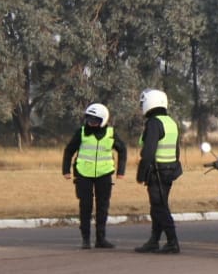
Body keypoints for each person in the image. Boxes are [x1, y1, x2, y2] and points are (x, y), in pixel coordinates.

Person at [61, 102, 126, 249]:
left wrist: (121, 171)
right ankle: (85, 239)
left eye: (95, 120)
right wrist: (66, 170)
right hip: (83, 174)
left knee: (102, 206)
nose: (91, 122)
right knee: (85, 206)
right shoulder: (82, 132)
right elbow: (69, 150)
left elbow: (122, 150)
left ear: (103, 119)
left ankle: (100, 239)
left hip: (104, 174)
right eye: (89, 118)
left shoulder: (111, 133)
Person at [135, 88, 183, 254]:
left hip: (157, 171)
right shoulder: (171, 122)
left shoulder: (154, 123)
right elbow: (176, 150)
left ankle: (172, 242)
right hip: (169, 170)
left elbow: (149, 151)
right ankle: (154, 241)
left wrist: (141, 173)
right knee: (158, 206)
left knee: (159, 207)